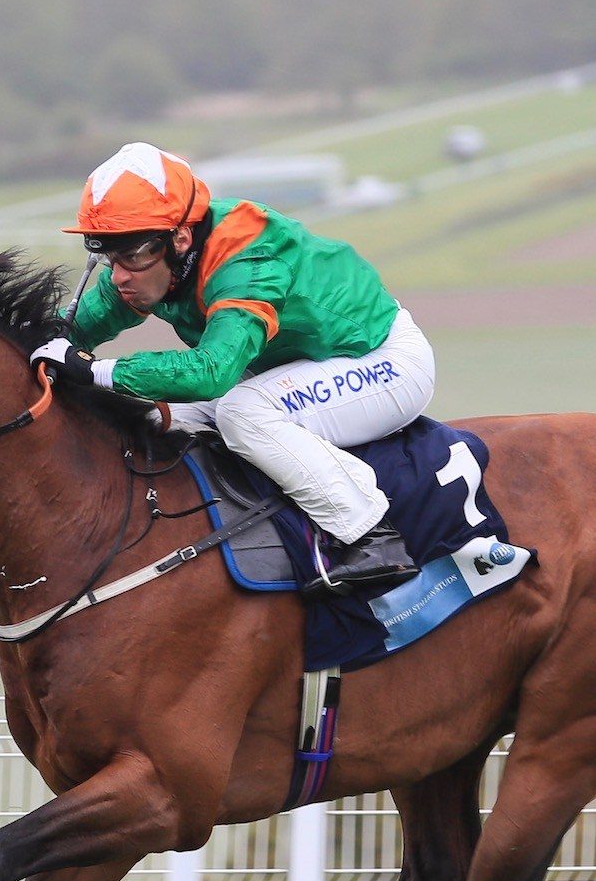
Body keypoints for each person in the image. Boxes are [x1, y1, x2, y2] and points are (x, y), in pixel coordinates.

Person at [29, 142, 435, 595]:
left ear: (180, 238)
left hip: (380, 361)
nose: (120, 275)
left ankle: (373, 536)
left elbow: (212, 373)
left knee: (242, 413)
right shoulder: (153, 256)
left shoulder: (247, 257)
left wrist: (97, 371)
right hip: (287, 368)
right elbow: (69, 332)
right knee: (152, 420)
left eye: (132, 255)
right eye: (108, 255)